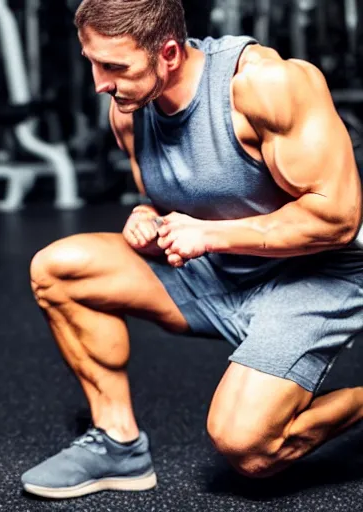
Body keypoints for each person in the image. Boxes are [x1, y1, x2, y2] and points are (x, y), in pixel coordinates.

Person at [21, 0, 363, 499]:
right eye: (92, 62)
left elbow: (337, 220)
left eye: (115, 67)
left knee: (248, 446)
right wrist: (148, 219)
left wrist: (209, 234)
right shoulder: (129, 109)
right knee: (58, 270)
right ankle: (117, 444)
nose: (100, 83)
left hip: (310, 279)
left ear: (170, 53)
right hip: (218, 273)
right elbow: (176, 200)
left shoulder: (265, 86)